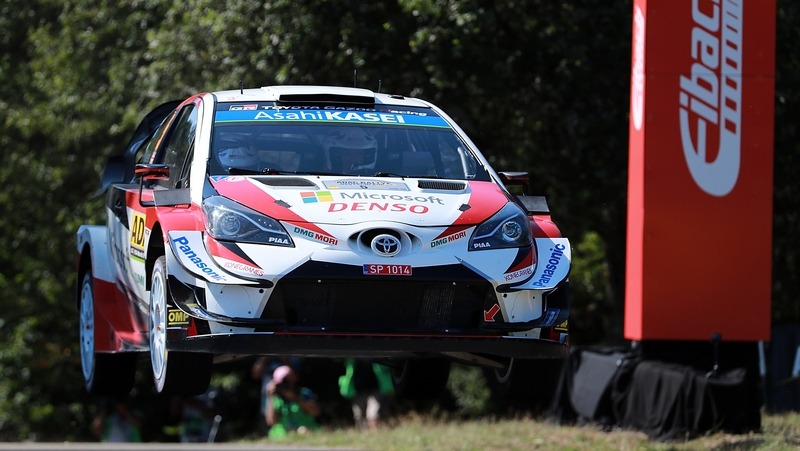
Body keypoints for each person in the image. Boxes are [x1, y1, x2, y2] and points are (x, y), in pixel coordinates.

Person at [265, 365, 321, 438]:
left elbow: (316, 412)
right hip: (283, 434)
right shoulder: (276, 398)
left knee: (302, 430)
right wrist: (270, 397)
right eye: (282, 383)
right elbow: (271, 422)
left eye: (287, 382)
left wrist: (296, 399)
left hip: (305, 430)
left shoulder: (304, 393)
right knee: (281, 436)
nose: (285, 385)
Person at [338, 359, 395, 429]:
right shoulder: (351, 358)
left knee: (373, 416)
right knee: (359, 417)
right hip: (358, 392)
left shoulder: (377, 356)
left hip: (376, 390)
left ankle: (376, 435)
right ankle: (363, 436)